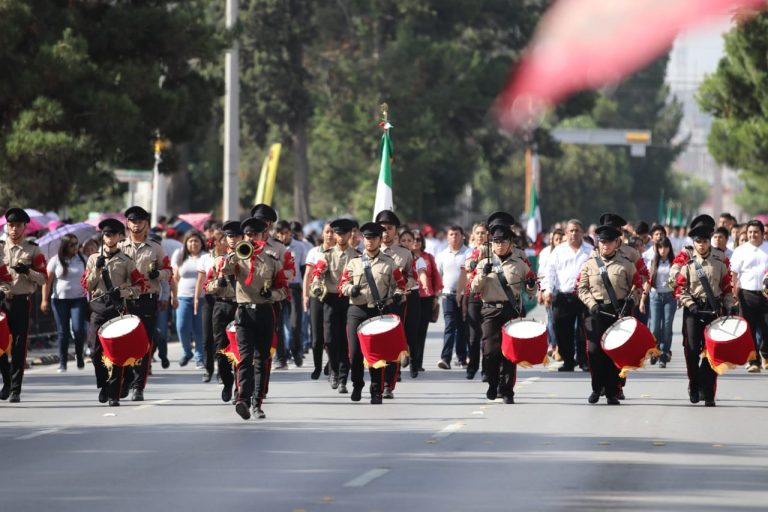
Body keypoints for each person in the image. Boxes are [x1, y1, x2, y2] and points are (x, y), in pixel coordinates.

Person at [221, 217, 289, 420]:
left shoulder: (272, 260)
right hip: (244, 312)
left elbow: (283, 289)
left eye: (255, 235)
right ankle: (242, 398)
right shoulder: (237, 257)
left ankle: (257, 403)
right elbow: (224, 271)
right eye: (248, 235)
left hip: (265, 312)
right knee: (244, 358)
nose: (251, 238)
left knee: (262, 359)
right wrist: (233, 255)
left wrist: (273, 295)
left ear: (263, 236)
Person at [671, 215, 736, 406]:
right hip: (693, 309)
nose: (701, 244)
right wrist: (689, 304)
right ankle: (694, 384)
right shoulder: (687, 260)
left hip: (714, 309)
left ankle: (708, 392)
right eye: (698, 241)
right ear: (693, 241)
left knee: (712, 352)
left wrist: (730, 304)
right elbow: (679, 287)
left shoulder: (720, 259)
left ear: (710, 240)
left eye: (705, 240)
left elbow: (726, 287)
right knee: (691, 350)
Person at [338, 222, 406, 404]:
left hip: (377, 311)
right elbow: (342, 285)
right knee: (355, 352)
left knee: (376, 355)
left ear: (379, 240)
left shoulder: (390, 263)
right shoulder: (354, 263)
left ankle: (376, 390)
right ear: (363, 239)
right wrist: (350, 289)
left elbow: (400, 286)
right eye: (367, 238)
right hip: (356, 310)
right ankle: (357, 384)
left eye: (373, 238)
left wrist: (398, 296)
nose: (370, 241)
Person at [577, 214, 641, 405]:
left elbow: (636, 286)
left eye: (609, 242)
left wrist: (631, 302)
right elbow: (582, 288)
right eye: (602, 242)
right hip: (595, 312)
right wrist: (592, 304)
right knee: (595, 352)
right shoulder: (589, 264)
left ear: (616, 243)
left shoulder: (626, 264)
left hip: (617, 312)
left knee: (614, 352)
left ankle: (613, 391)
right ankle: (597, 388)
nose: (605, 245)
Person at [469, 223, 537, 404]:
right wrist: (483, 274)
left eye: (503, 241)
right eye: (496, 241)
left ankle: (507, 390)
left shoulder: (520, 264)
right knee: (490, 351)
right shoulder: (484, 262)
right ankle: (492, 383)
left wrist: (531, 284)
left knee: (509, 353)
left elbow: (531, 292)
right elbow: (474, 287)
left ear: (510, 243)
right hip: (490, 310)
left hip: (510, 310)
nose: (499, 245)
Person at [83, 219, 145, 406]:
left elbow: (140, 286)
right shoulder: (93, 258)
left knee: (116, 354)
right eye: (106, 235)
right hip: (98, 308)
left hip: (116, 309)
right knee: (95, 351)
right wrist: (97, 269)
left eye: (113, 235)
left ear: (120, 237)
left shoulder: (126, 261)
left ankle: (113, 394)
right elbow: (87, 285)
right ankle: (103, 383)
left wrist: (123, 292)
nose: (109, 239)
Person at [118, 206, 172, 401]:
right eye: (133, 221)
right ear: (127, 224)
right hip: (124, 301)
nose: (136, 225)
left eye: (140, 222)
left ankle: (138, 386)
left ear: (146, 225)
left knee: (143, 343)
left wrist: (160, 274)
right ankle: (125, 379)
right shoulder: (120, 247)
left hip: (147, 300)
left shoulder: (155, 248)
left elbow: (168, 270)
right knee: (124, 344)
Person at [0, 208, 47, 402]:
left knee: (19, 347)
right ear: (6, 226)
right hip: (2, 301)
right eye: (11, 225)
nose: (14, 229)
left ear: (24, 227)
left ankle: (15, 390)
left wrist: (28, 271)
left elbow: (43, 278)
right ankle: (7, 381)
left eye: (18, 225)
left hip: (21, 301)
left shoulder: (33, 249)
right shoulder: (0, 248)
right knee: (0, 345)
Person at [310, 219, 358, 391]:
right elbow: (318, 273)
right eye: (338, 233)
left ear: (349, 234)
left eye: (344, 233)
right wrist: (316, 285)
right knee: (330, 339)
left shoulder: (357, 256)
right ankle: (333, 371)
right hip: (330, 300)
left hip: (350, 301)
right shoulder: (327, 254)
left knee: (346, 341)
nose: (341, 236)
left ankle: (343, 378)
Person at [250, 204, 296, 370]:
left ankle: (279, 356)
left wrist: (277, 277)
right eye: (256, 220)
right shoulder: (244, 244)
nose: (259, 224)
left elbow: (291, 271)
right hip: (247, 296)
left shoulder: (279, 247)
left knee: (275, 328)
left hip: (271, 297)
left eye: (263, 221)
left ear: (269, 224)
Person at [376, 209, 416, 398]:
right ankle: (376, 380)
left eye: (389, 228)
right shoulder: (368, 252)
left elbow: (412, 276)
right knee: (376, 343)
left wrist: (404, 286)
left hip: (396, 302)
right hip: (374, 303)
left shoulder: (405, 254)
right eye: (382, 228)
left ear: (395, 231)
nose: (385, 232)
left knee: (393, 343)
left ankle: (388, 384)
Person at [543, 220, 592, 372]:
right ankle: (568, 360)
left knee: (584, 331)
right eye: (570, 231)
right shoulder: (558, 251)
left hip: (584, 295)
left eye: (577, 230)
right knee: (562, 330)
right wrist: (548, 290)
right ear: (565, 233)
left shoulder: (590, 250)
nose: (574, 234)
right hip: (563, 296)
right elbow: (549, 272)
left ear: (582, 232)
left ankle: (584, 360)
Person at [203, 221, 241, 403]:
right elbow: (206, 286)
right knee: (221, 349)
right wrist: (217, 284)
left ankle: (240, 390)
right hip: (222, 306)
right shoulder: (218, 261)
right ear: (225, 240)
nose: (233, 239)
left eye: (236, 236)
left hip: (241, 306)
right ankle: (227, 382)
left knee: (241, 350)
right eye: (230, 236)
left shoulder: (249, 258)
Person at [41, 234, 88, 372]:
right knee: (63, 332)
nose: (75, 247)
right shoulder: (55, 260)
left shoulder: (82, 259)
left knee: (78, 329)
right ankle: (63, 362)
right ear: (65, 246)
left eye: (77, 244)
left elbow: (89, 278)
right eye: (72, 244)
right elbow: (47, 282)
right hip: (59, 301)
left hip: (78, 299)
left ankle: (79, 356)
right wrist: (44, 300)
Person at [729, 219, 768, 372]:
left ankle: (765, 354)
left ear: (762, 233)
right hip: (747, 294)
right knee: (749, 330)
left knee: (766, 328)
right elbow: (734, 274)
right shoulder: (741, 250)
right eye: (750, 232)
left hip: (766, 295)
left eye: (756, 232)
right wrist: (734, 293)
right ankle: (754, 361)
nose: (753, 235)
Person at [435, 225, 470, 374]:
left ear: (462, 236)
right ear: (447, 237)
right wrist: (436, 296)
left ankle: (462, 357)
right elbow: (438, 275)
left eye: (457, 234)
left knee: (462, 327)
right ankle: (445, 358)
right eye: (451, 234)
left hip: (465, 296)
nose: (454, 237)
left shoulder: (469, 253)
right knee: (450, 325)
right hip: (448, 295)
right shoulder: (442, 255)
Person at [172, 230, 207, 369]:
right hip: (183, 298)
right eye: (191, 241)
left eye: (196, 241)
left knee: (200, 330)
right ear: (186, 243)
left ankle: (200, 357)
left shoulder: (206, 256)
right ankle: (187, 352)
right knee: (181, 327)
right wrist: (173, 296)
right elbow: (175, 278)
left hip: (202, 299)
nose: (193, 243)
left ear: (201, 243)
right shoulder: (179, 255)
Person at [304, 222, 334, 380]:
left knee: (331, 335)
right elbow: (308, 275)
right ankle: (317, 367)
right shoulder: (314, 252)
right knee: (316, 337)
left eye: (333, 232)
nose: (330, 235)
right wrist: (305, 296)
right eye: (327, 231)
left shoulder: (339, 253)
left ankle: (331, 363)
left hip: (334, 297)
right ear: (322, 233)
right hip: (316, 296)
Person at [458, 222, 488, 380]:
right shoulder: (468, 253)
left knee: (488, 335)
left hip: (489, 296)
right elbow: (465, 276)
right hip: (473, 297)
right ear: (473, 235)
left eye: (484, 233)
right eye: (478, 233)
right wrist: (462, 296)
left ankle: (487, 369)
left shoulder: (494, 252)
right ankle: (472, 366)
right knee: (473, 335)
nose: (481, 236)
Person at [274, 220, 307, 367]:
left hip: (294, 288)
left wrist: (305, 290)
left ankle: (296, 351)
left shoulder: (299, 247)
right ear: (276, 234)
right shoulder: (273, 247)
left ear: (290, 233)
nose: (283, 236)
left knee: (295, 324)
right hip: (278, 288)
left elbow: (304, 269)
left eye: (286, 233)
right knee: (279, 325)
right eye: (280, 233)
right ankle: (281, 357)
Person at [194, 227, 225, 382]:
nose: (226, 242)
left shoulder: (229, 258)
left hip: (224, 299)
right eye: (222, 240)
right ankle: (208, 369)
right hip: (208, 298)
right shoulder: (206, 258)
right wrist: (196, 298)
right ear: (216, 242)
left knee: (221, 337)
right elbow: (200, 280)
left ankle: (222, 370)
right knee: (207, 337)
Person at [411, 229, 442, 378]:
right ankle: (408, 359)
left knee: (421, 331)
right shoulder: (405, 256)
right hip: (410, 296)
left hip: (426, 297)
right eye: (413, 239)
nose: (416, 242)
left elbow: (435, 276)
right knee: (410, 330)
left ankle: (418, 363)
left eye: (418, 239)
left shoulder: (428, 257)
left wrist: (435, 296)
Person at [397, 228, 428, 373]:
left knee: (412, 331)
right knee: (398, 331)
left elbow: (422, 273)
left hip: (413, 296)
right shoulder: (393, 258)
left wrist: (425, 283)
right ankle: (396, 367)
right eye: (403, 240)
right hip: (396, 297)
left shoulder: (418, 259)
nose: (406, 243)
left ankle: (414, 364)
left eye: (410, 240)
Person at [647, 237, 676, 368]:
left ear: (669, 248)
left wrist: (680, 295)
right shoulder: (653, 262)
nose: (663, 250)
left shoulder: (674, 263)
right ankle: (655, 350)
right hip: (655, 296)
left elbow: (679, 281)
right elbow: (647, 282)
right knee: (654, 327)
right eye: (660, 247)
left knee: (667, 326)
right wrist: (642, 300)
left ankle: (664, 355)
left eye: (665, 247)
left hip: (670, 296)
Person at [537, 228, 564, 357]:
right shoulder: (545, 253)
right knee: (551, 319)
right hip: (549, 290)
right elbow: (541, 274)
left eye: (561, 239)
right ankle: (554, 346)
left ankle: (562, 346)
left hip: (564, 291)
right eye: (556, 239)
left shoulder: (567, 252)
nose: (559, 242)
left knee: (561, 320)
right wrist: (541, 291)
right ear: (552, 241)